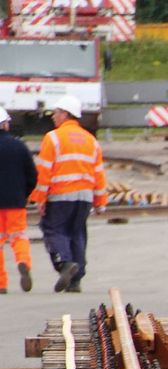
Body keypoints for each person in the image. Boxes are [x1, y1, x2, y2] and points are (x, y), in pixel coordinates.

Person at [29, 100, 103, 293]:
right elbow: (99, 173)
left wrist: (40, 198)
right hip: (84, 197)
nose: (53, 116)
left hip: (60, 194)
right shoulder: (90, 140)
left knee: (54, 230)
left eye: (55, 112)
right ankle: (75, 280)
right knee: (77, 233)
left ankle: (64, 263)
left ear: (65, 114)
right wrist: (100, 201)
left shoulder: (53, 138)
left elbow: (45, 171)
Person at [0, 112, 34, 294]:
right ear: (5, 124)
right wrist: (25, 193)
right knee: (18, 236)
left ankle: (1, 284)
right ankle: (23, 262)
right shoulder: (19, 146)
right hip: (16, 201)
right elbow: (32, 175)